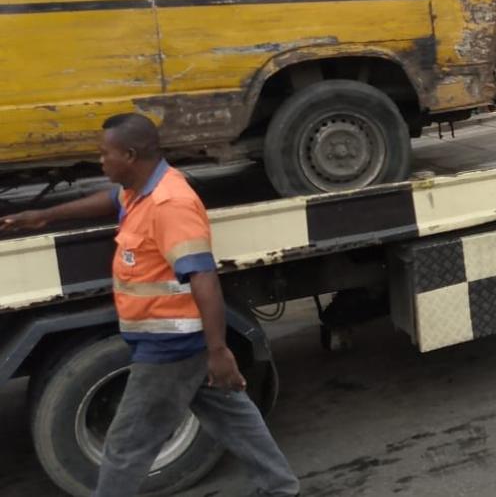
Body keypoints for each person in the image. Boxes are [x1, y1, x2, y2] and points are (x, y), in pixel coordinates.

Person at [0, 114, 299, 497]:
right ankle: (281, 488)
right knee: (234, 417)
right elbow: (109, 199)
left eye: (105, 154)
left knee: (125, 445)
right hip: (170, 342)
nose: (100, 161)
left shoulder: (169, 204)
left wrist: (218, 350)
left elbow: (204, 278)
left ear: (130, 154)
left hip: (171, 348)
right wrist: (44, 215)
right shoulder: (139, 188)